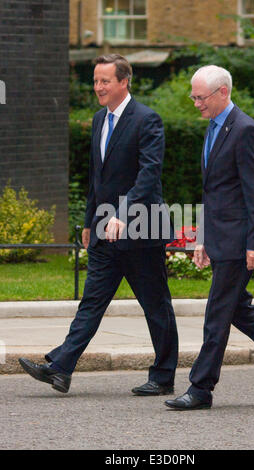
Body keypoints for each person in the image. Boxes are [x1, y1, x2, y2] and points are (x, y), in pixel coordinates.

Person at [19, 54, 178, 396]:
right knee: (91, 301)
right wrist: (92, 219)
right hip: (105, 228)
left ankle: (164, 376)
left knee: (156, 306)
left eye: (105, 81)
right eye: (95, 81)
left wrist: (122, 213)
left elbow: (149, 175)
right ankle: (60, 369)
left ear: (124, 82)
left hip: (141, 227)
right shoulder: (98, 120)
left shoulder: (147, 119)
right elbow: (97, 176)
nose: (98, 87)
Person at [165, 65, 254, 410]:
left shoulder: (244, 130)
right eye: (193, 97)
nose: (196, 103)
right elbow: (214, 192)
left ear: (222, 92)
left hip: (241, 241)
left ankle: (201, 388)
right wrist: (202, 237)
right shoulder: (212, 129)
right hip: (222, 237)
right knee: (239, 310)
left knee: (217, 313)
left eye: (200, 97)